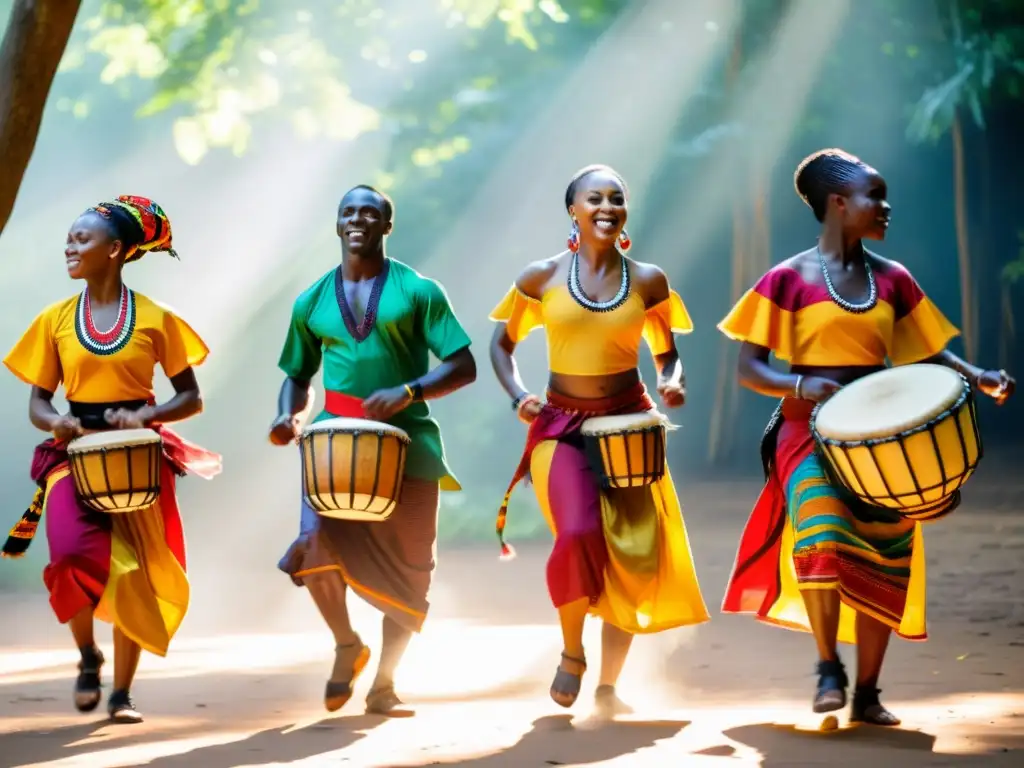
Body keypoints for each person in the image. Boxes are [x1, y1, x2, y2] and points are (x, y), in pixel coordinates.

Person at [718, 148, 1016, 726]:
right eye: (873, 196)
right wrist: (801, 384)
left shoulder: (893, 278)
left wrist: (977, 375)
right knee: (823, 536)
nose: (885, 207)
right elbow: (749, 369)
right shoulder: (786, 278)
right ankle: (829, 667)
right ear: (837, 203)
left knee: (887, 555)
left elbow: (927, 351)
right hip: (807, 432)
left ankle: (869, 693)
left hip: (882, 438)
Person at [488, 164, 709, 717]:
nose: (607, 206)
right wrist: (519, 397)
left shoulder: (650, 280)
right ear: (574, 210)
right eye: (595, 197)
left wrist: (672, 379)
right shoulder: (540, 277)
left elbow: (666, 350)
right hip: (560, 426)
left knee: (630, 553)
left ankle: (609, 687)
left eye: (617, 198)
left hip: (630, 425)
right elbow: (501, 344)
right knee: (580, 531)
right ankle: (571, 652)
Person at [2, 196, 221, 723]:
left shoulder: (154, 318)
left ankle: (122, 693)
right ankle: (87, 655)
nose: (70, 247)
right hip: (71, 455)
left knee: (134, 575)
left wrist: (146, 416)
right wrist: (55, 420)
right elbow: (37, 401)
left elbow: (190, 398)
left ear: (117, 249)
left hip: (138, 458)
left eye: (83, 239)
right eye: (70, 239)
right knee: (71, 558)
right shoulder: (54, 320)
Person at [270, 185, 476, 716]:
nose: (358, 218)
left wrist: (409, 391)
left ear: (387, 226)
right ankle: (347, 645)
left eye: (370, 212)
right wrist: (290, 415)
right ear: (337, 225)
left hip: (410, 446)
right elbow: (297, 375)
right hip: (333, 446)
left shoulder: (419, 290)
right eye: (348, 212)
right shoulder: (310, 301)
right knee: (314, 549)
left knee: (412, 570)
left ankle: (385, 683)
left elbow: (463, 364)